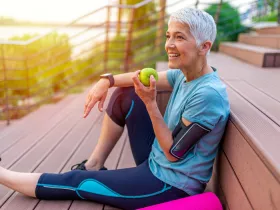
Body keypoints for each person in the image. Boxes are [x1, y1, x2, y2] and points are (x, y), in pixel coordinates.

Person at [0, 7, 230, 210]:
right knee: (126, 93)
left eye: (179, 37)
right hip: (156, 161)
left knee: (78, 182)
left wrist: (151, 103)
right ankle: (95, 164)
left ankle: (3, 176)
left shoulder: (207, 96)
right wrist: (107, 81)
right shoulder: (185, 74)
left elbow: (172, 154)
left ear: (204, 46)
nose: (169, 44)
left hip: (170, 185)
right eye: (169, 36)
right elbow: (138, 77)